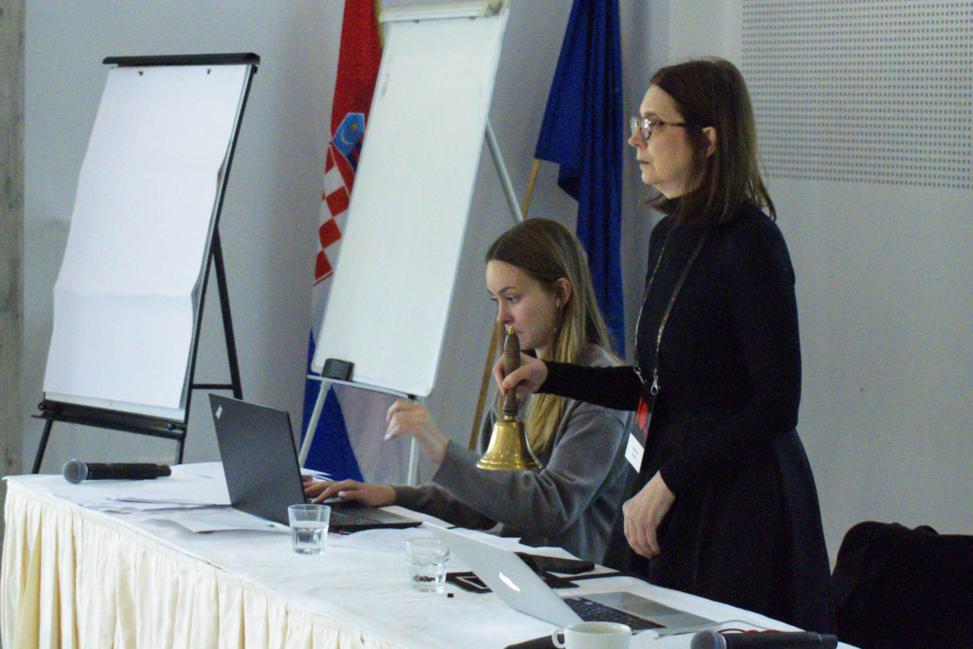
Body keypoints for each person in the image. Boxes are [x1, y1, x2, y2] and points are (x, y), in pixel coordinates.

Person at [496, 59, 835, 632]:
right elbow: (653, 384)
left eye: (653, 125)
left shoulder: (752, 244)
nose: (636, 139)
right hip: (671, 482)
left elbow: (777, 405)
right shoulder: (667, 235)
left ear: (708, 140)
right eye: (638, 123)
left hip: (737, 503)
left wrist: (670, 481)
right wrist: (550, 375)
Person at [305, 218, 632, 564]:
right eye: (495, 300)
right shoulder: (522, 374)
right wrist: (393, 495)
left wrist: (443, 451)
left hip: (567, 581)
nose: (501, 317)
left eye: (512, 298)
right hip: (509, 569)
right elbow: (488, 500)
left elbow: (550, 510)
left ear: (560, 294)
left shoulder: (601, 387)